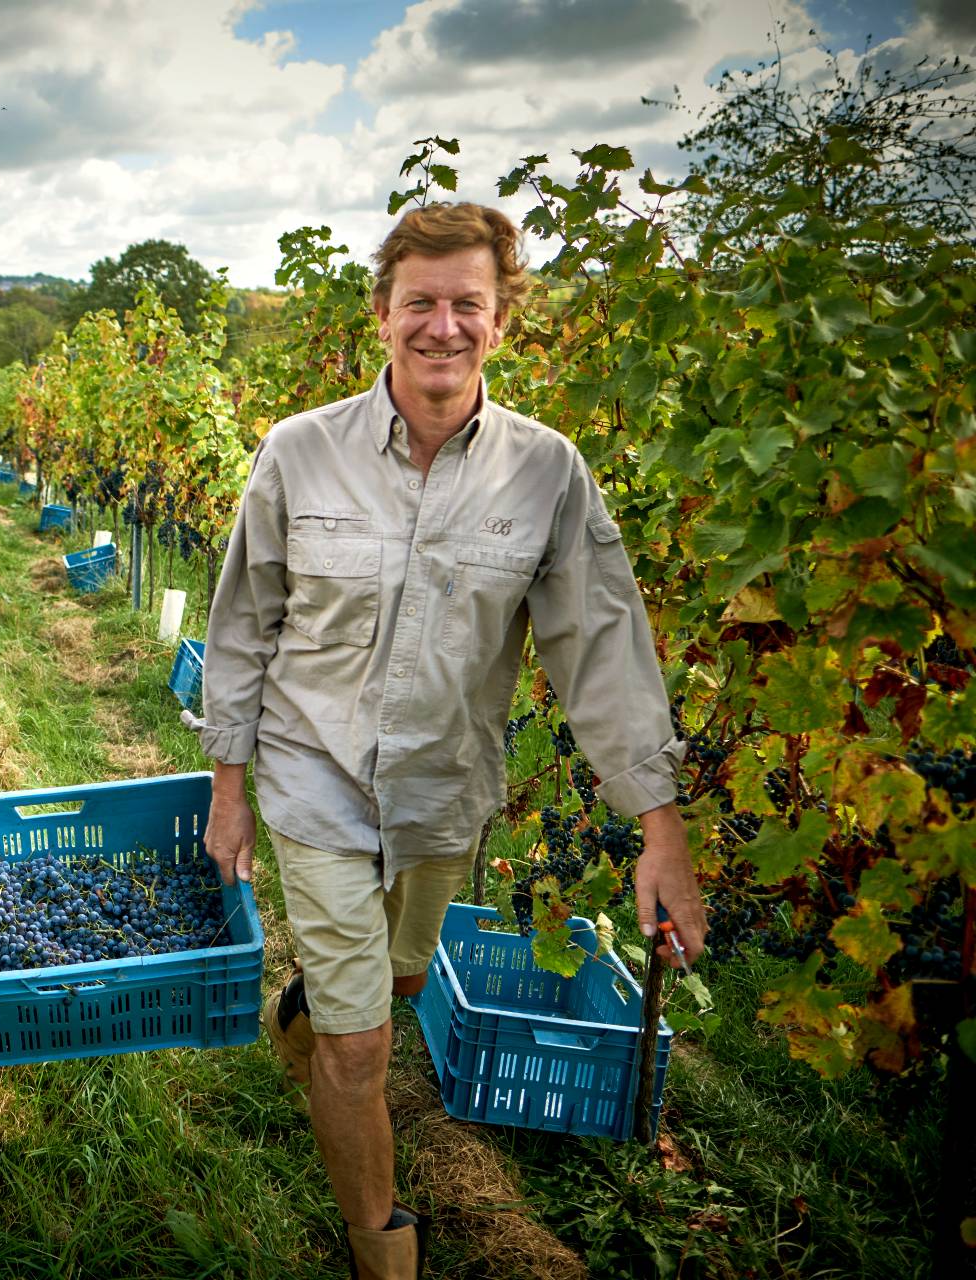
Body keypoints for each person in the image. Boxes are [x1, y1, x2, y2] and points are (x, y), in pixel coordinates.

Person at [196, 202, 706, 1280]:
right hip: (312, 773)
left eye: (466, 303)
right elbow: (241, 626)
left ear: (500, 320)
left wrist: (660, 829)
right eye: (418, 302)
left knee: (403, 977)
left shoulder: (547, 472)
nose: (442, 325)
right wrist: (228, 787)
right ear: (381, 314)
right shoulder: (299, 452)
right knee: (363, 1041)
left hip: (443, 794)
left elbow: (600, 646)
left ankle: (307, 1018)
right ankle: (383, 1245)